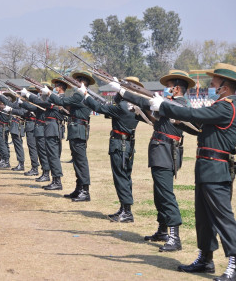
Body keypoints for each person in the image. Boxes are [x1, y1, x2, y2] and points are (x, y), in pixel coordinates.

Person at [150, 63, 236, 281]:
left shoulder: (227, 106)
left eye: (216, 81)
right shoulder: (221, 105)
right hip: (207, 168)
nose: (212, 83)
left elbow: (194, 112)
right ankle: (205, 259)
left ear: (226, 86)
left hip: (216, 169)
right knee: (204, 218)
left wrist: (165, 106)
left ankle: (234, 261)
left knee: (223, 219)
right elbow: (199, 123)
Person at [109, 70, 196, 252]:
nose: (165, 89)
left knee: (165, 194)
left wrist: (124, 92)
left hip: (165, 152)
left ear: (177, 88)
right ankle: (163, 230)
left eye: (168, 86)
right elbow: (157, 122)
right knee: (159, 194)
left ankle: (174, 236)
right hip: (159, 152)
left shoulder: (179, 105)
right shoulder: (170, 104)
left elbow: (146, 100)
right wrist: (140, 112)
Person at [80, 76, 141, 220]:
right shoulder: (134, 106)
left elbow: (98, 108)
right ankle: (124, 208)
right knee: (125, 177)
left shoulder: (122, 107)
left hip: (120, 145)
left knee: (121, 178)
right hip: (128, 145)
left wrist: (86, 95)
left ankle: (126, 211)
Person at [47, 71, 93, 202]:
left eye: (77, 81)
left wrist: (50, 93)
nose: (74, 83)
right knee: (77, 161)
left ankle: (85, 191)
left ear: (83, 82)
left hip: (78, 131)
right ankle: (79, 189)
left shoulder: (81, 96)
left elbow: (62, 101)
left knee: (81, 162)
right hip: (75, 129)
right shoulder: (79, 95)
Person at [23, 78, 67, 190]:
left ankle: (57, 181)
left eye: (56, 86)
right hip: (50, 128)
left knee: (53, 156)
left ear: (60, 88)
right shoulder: (57, 98)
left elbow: (40, 103)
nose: (55, 88)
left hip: (53, 128)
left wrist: (28, 95)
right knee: (51, 155)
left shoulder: (60, 99)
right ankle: (55, 180)